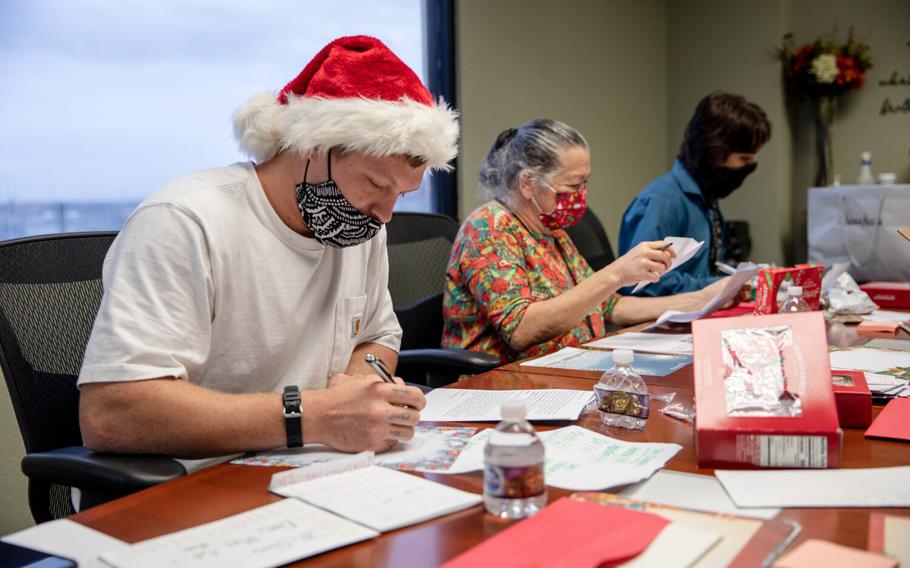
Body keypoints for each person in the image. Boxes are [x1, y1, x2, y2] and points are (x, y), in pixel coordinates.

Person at [77, 36, 459, 468]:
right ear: (312, 146)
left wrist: (354, 395)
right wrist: (316, 416)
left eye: (403, 194)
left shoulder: (359, 228)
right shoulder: (186, 220)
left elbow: (377, 337)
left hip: (312, 466)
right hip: (188, 480)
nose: (386, 214)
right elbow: (109, 412)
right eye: (374, 184)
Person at [442, 119, 730, 363]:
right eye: (573, 185)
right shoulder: (489, 228)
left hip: (567, 367)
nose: (581, 195)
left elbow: (609, 307)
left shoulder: (549, 229)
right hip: (503, 385)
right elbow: (521, 330)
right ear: (527, 183)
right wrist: (617, 273)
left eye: (585, 183)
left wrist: (708, 297)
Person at [618, 91, 771, 297]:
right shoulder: (663, 201)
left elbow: (708, 267)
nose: (752, 165)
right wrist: (720, 284)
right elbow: (644, 283)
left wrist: (742, 278)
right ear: (715, 152)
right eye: (744, 158)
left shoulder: (705, 198)